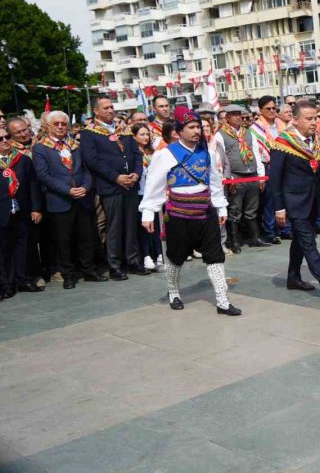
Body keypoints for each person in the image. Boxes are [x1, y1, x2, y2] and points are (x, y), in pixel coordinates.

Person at [139, 108, 240, 315]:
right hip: (178, 215)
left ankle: (222, 301)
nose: (197, 131)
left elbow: (214, 181)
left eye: (199, 127)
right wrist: (148, 212)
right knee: (175, 257)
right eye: (191, 127)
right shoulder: (165, 154)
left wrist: (220, 206)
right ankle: (173, 292)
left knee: (215, 257)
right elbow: (154, 185)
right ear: (179, 131)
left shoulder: (207, 152)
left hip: (206, 212)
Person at [270, 101, 320, 299]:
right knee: (308, 241)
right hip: (294, 201)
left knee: (300, 241)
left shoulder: (316, 141)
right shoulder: (282, 142)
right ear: (295, 120)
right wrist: (279, 208)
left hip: (312, 200)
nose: (314, 122)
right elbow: (275, 178)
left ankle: (293, 277)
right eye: (309, 119)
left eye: (316, 118)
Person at [33, 111, 107, 289]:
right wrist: (68, 190)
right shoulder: (41, 147)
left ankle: (89, 270)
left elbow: (86, 170)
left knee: (86, 237)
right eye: (56, 124)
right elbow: (43, 175)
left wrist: (86, 187)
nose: (60, 127)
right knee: (63, 240)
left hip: (82, 197)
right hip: (60, 200)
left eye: (63, 124)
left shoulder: (75, 144)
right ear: (48, 126)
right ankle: (68, 274)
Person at [80, 95, 150, 279]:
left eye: (112, 107)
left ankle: (133, 260)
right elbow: (92, 161)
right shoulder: (89, 132)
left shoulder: (124, 130)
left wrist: (136, 173)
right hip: (111, 186)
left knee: (132, 225)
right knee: (115, 227)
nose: (111, 111)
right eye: (106, 108)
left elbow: (136, 154)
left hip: (131, 185)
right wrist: (116, 177)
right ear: (96, 111)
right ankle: (115, 264)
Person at [0, 126, 44, 298]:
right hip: (2, 212)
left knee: (22, 247)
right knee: (3, 250)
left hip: (21, 210)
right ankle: (6, 284)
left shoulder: (22, 160)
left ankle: (23, 279)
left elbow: (33, 185)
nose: (4, 141)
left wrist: (36, 208)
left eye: (6, 137)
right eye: (0, 139)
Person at [217, 104, 268, 252]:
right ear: (226, 118)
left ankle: (255, 238)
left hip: (251, 174)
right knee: (235, 210)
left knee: (252, 209)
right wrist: (228, 178)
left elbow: (256, 154)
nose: (238, 117)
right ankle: (234, 241)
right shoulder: (221, 134)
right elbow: (221, 158)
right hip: (235, 175)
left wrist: (260, 175)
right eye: (234, 114)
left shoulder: (248, 132)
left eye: (239, 114)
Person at [251, 95, 290, 244]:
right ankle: (270, 231)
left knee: (285, 197)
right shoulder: (256, 128)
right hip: (267, 165)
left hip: (284, 165)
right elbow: (256, 152)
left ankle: (285, 229)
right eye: (268, 108)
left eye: (274, 108)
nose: (272, 111)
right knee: (270, 201)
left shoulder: (282, 125)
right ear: (261, 110)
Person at [132, 124, 163, 270]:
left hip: (154, 193)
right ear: (134, 136)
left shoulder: (154, 153)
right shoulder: (133, 153)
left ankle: (159, 253)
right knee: (143, 226)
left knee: (157, 226)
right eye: (141, 134)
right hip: (140, 193)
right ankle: (146, 255)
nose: (145, 137)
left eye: (147, 134)